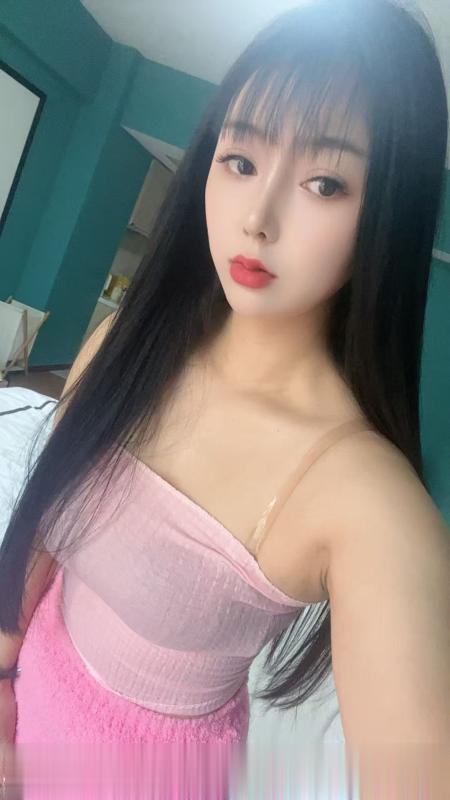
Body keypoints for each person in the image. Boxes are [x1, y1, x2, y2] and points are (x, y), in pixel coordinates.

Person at [1, 0, 449, 795]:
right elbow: (41, 528)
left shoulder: (368, 503)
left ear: (389, 214)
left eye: (324, 182)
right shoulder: (122, 343)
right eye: (240, 161)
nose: (258, 218)